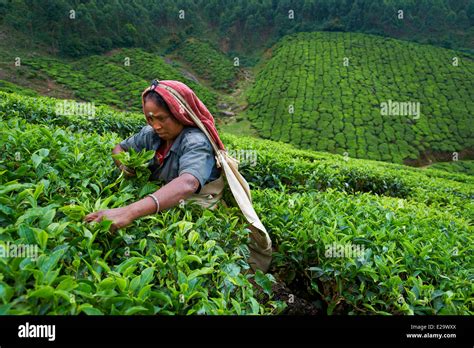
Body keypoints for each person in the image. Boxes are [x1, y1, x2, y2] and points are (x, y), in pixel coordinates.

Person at [84, 79, 272, 272]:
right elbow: (119, 148)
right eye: (150, 119)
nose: (155, 125)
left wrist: (129, 211)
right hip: (163, 205)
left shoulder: (196, 141)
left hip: (196, 212)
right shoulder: (150, 134)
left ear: (179, 113)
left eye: (161, 118)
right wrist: (124, 166)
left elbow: (188, 183)